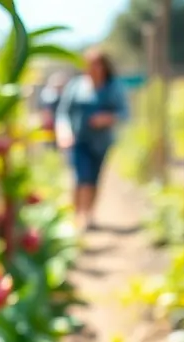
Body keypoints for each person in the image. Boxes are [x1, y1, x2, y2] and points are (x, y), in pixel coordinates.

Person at [55, 48, 128, 228]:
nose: (92, 68)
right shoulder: (76, 86)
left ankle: (89, 214)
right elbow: (63, 112)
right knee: (82, 177)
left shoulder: (113, 87)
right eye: (88, 64)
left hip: (101, 143)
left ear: (104, 66)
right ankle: (77, 216)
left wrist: (106, 118)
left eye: (96, 64)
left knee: (94, 178)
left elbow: (124, 113)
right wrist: (63, 133)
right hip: (79, 140)